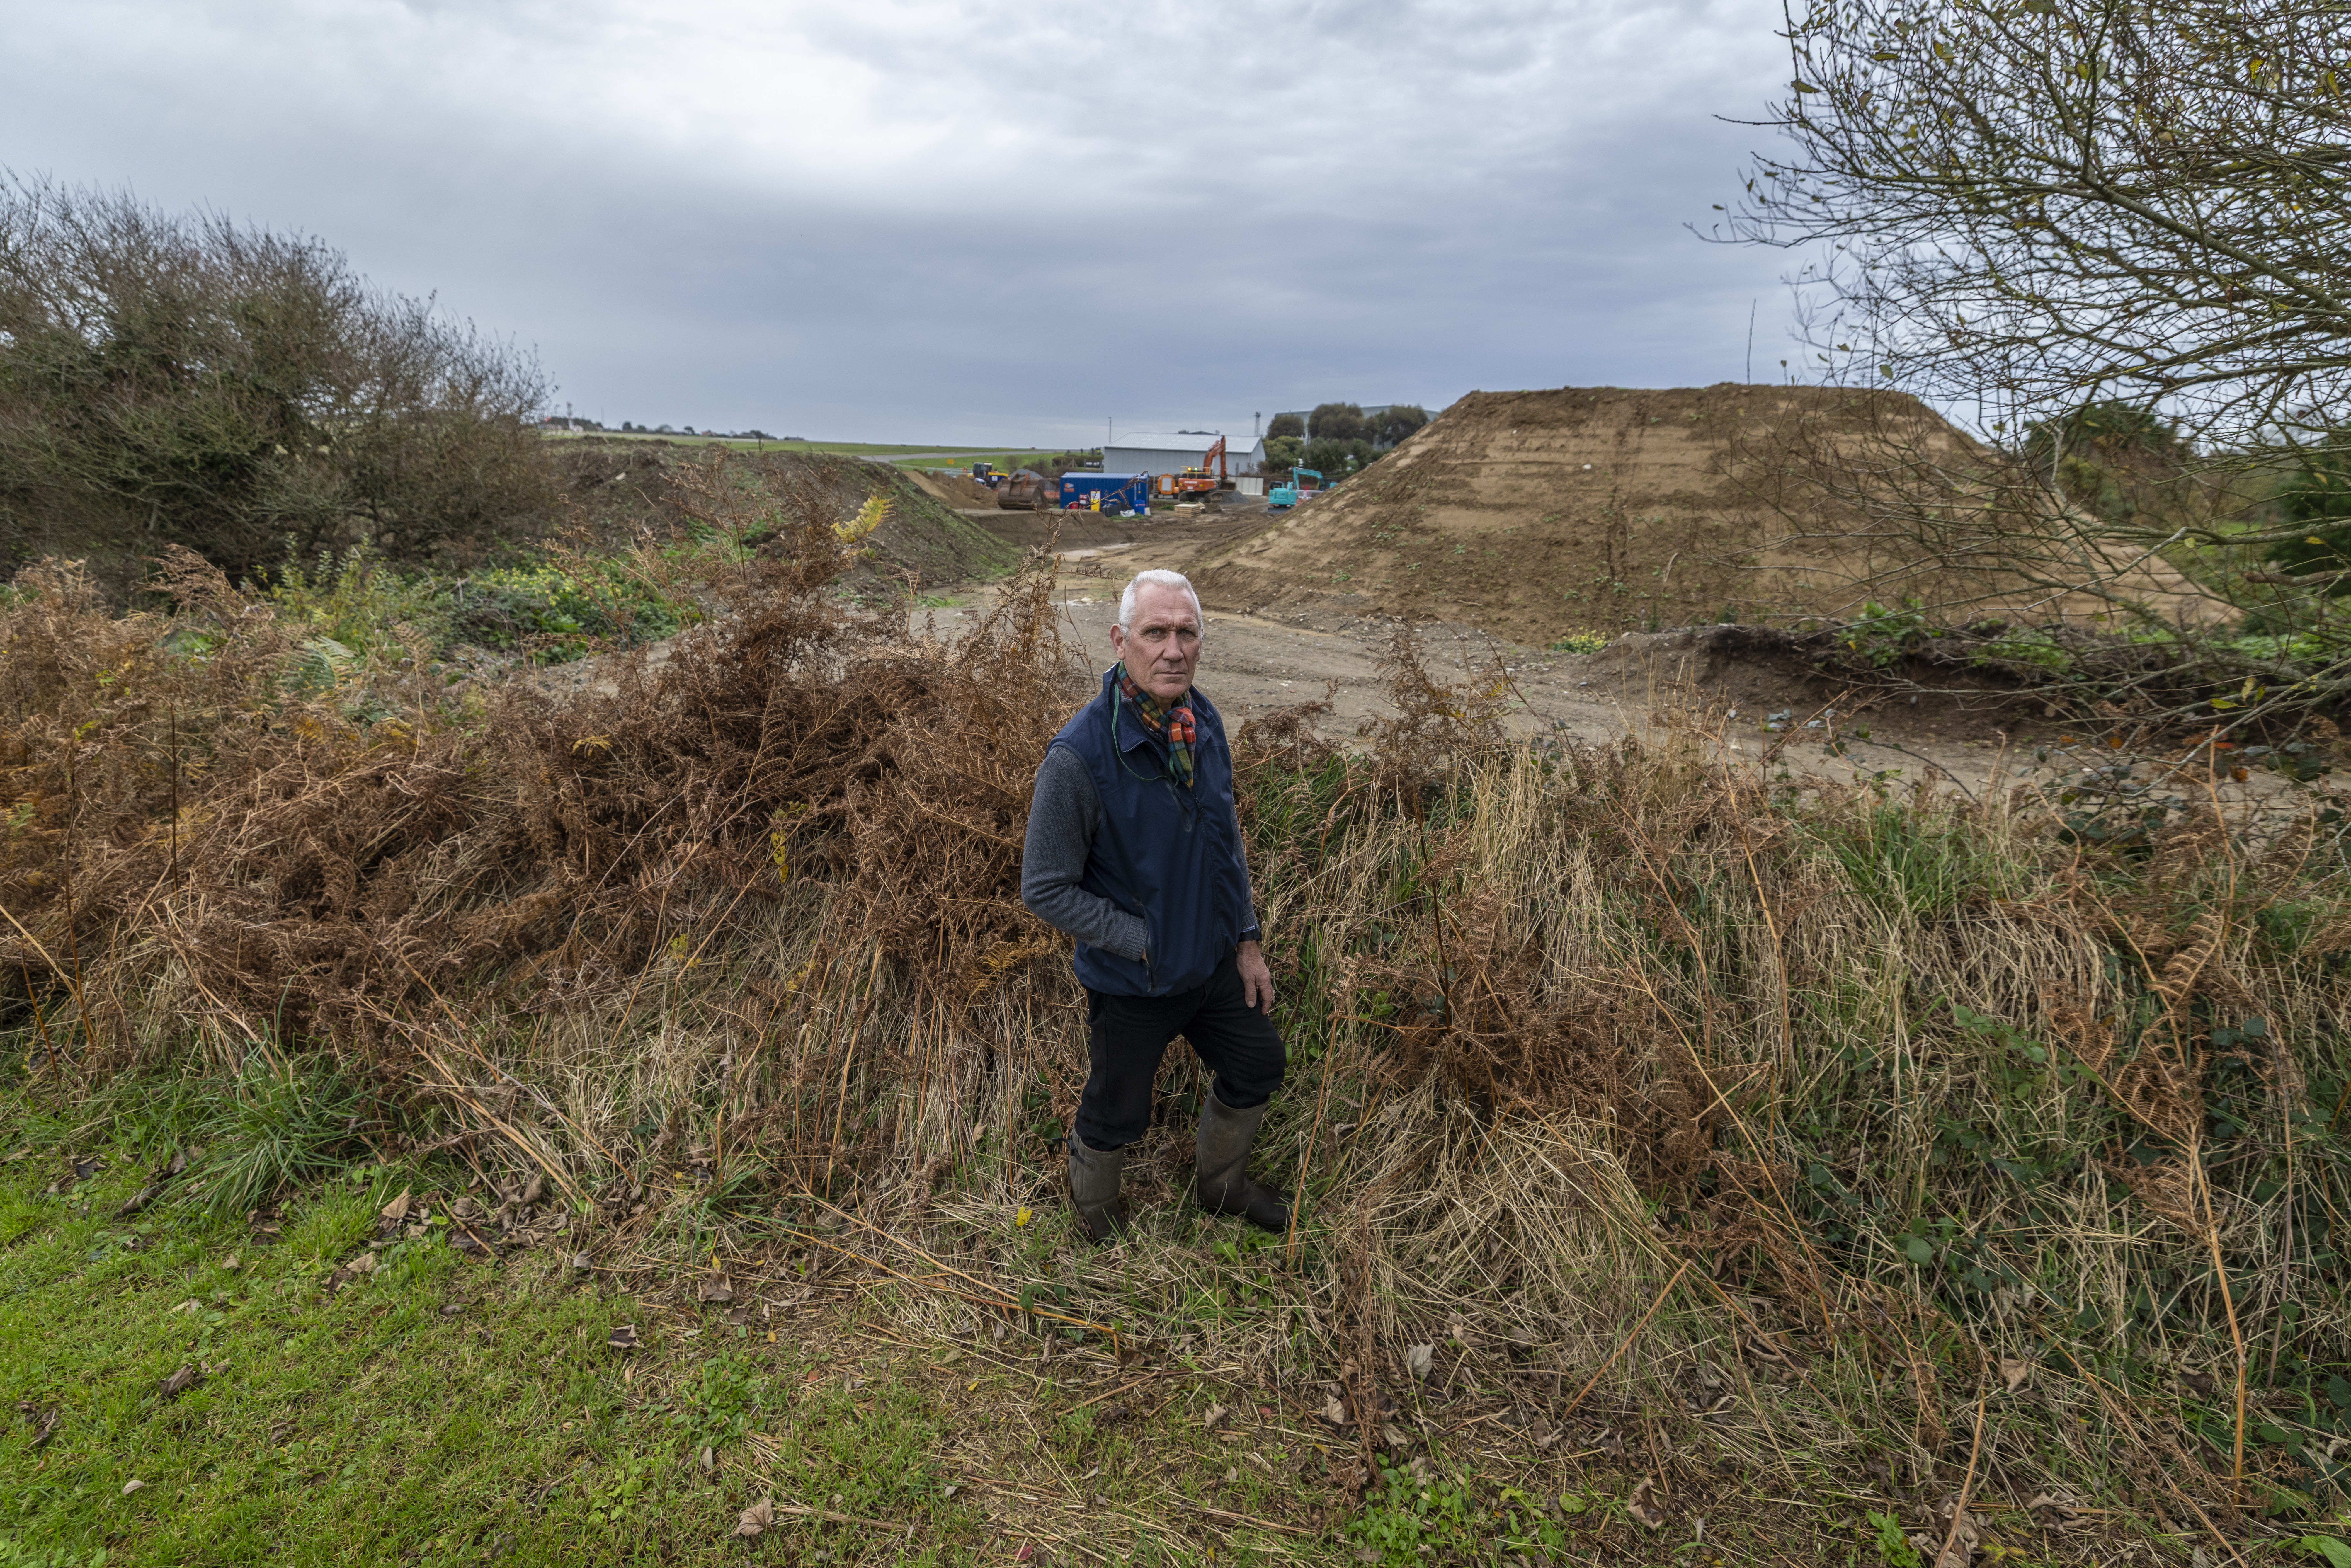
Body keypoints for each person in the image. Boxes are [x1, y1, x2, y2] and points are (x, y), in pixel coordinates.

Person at [1019, 569, 1289, 1243]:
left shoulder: (1203, 722)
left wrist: (1247, 941)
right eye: (1156, 632)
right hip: (1135, 980)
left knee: (1258, 1064)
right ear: (1120, 641)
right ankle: (1097, 1224)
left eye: (1187, 632)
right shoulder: (1077, 757)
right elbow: (1044, 887)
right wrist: (1144, 939)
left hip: (1214, 963)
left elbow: (1224, 839)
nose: (1174, 649)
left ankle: (1222, 1188)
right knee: (1116, 1113)